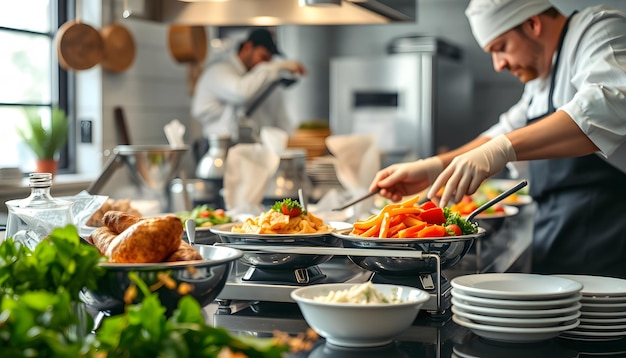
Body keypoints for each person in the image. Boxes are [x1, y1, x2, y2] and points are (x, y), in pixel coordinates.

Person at [369, 0, 626, 278]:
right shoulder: (541, 77)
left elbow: (607, 105)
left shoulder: (600, 30)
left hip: (612, 243)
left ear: (533, 24)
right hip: (560, 240)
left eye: (500, 48)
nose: (498, 65)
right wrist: (434, 167)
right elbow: (505, 130)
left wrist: (501, 150)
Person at [191, 28, 307, 144]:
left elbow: (280, 120)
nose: (264, 64)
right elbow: (241, 93)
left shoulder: (257, 79)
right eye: (263, 57)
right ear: (247, 47)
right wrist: (278, 66)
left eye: (269, 60)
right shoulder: (218, 71)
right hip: (217, 148)